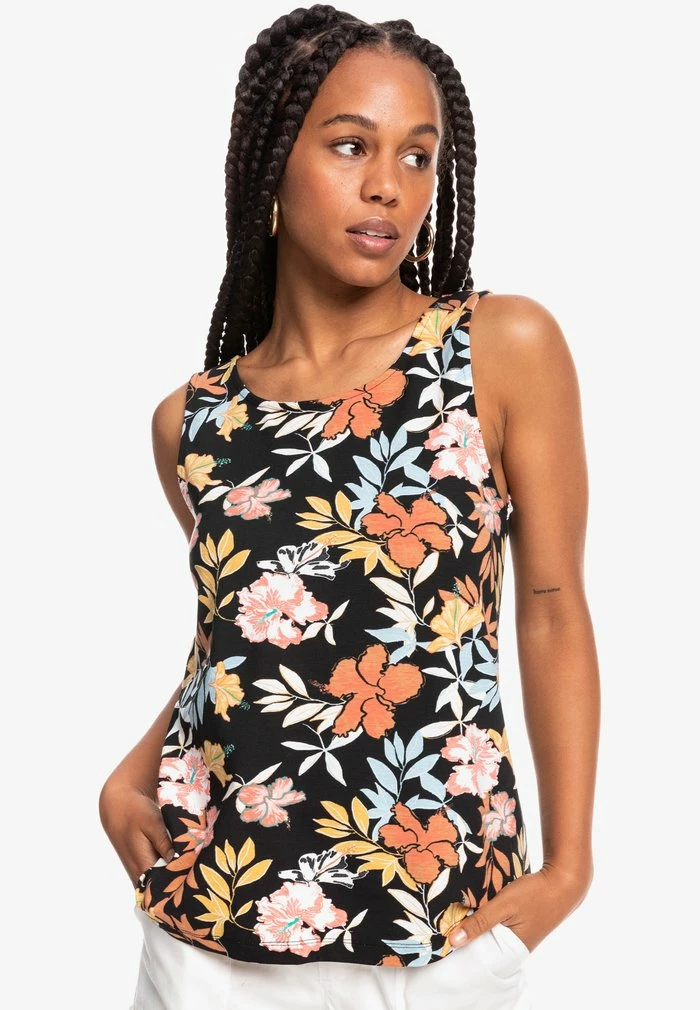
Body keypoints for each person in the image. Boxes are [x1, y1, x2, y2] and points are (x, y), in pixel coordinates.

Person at [99, 6, 599, 1009]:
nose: (388, 186)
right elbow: (248, 638)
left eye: (417, 155)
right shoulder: (192, 421)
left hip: (435, 935)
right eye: (349, 145)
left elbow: (550, 607)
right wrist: (131, 774)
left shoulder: (498, 349)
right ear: (269, 164)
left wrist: (568, 868)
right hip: (204, 935)